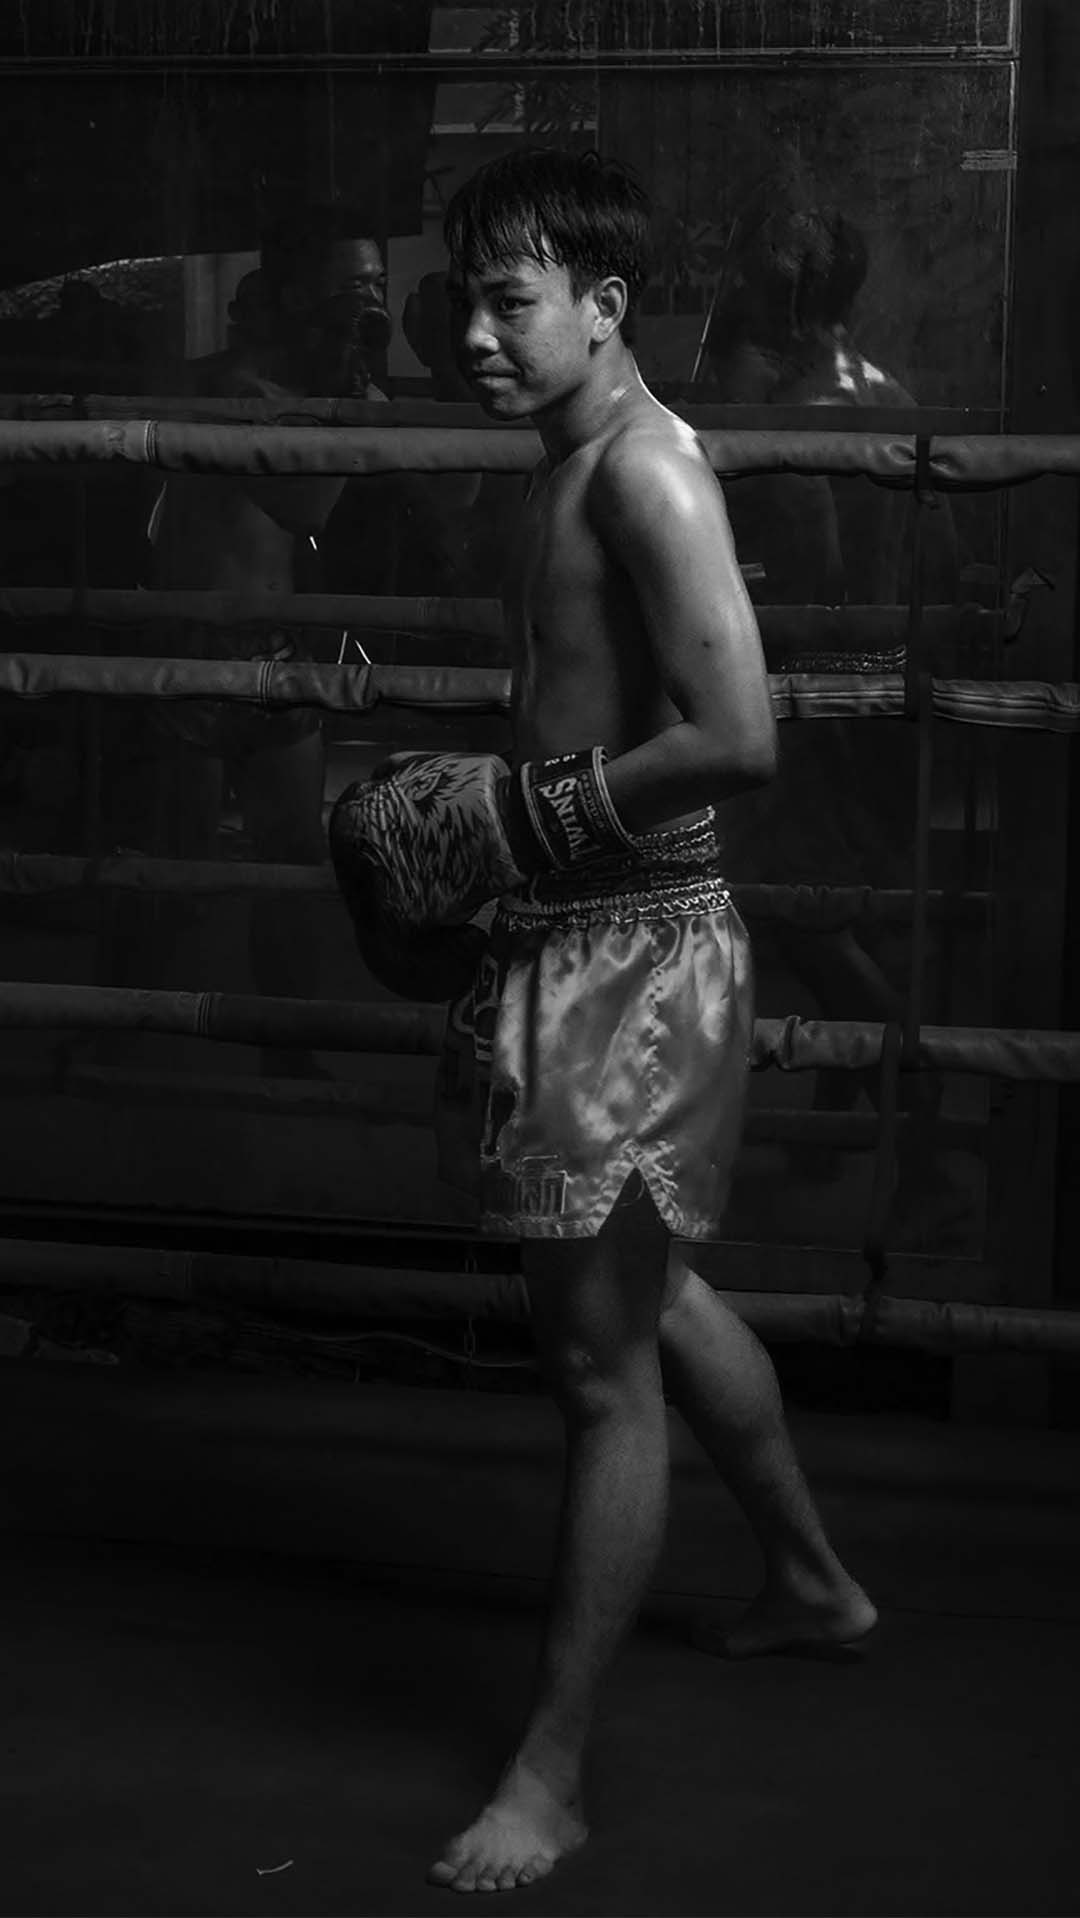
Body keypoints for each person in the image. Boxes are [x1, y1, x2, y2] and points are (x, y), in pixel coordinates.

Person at [355, 147, 877, 1894]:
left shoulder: (646, 472)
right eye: (471, 302)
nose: (480, 339)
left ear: (605, 306)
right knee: (655, 1291)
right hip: (576, 934)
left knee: (598, 1371)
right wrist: (517, 841)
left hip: (634, 959)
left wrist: (518, 821)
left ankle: (553, 1771)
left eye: (513, 305)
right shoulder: (567, 455)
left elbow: (740, 734)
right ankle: (812, 1579)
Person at [703, 200, 958, 1193]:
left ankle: (923, 1132)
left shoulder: (796, 403)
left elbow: (806, 561)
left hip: (815, 680)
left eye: (763, 263)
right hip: (873, 674)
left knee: (797, 906)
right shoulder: (875, 385)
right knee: (826, 900)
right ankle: (850, 1112)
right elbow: (933, 545)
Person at [118, 213, 392, 1071]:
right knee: (177, 861)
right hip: (196, 647)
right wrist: (356, 408)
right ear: (295, 293)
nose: (369, 304)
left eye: (376, 285)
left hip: (279, 644)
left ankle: (285, 1042)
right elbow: (303, 508)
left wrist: (361, 399)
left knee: (292, 856)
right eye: (352, 286)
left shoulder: (326, 382)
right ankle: (123, 1034)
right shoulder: (234, 385)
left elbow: (452, 502)